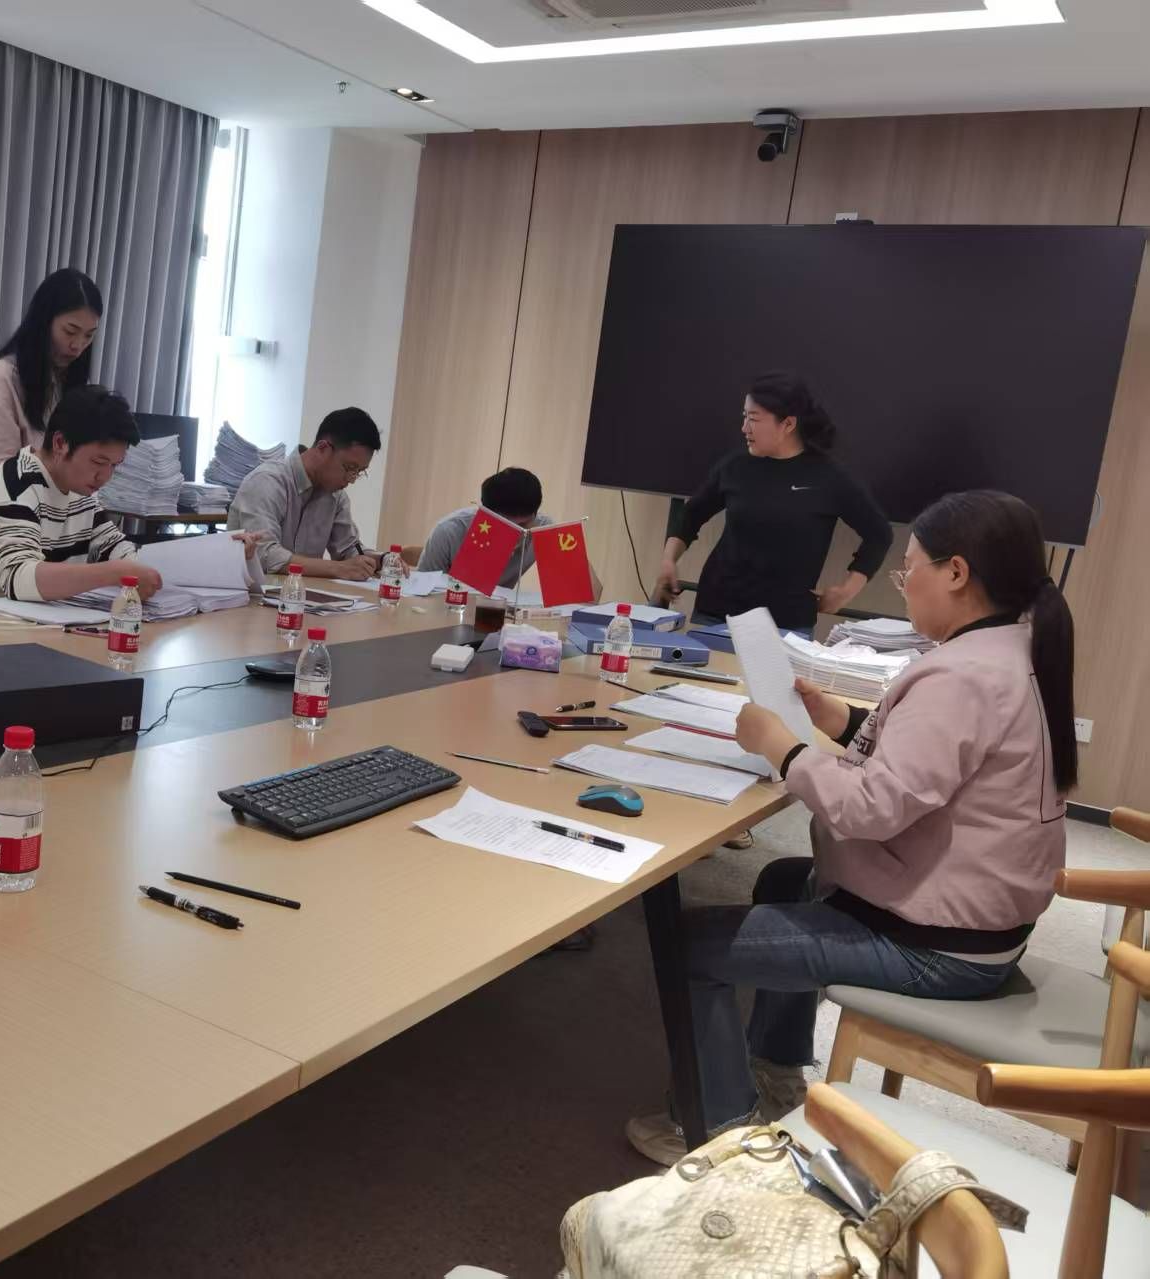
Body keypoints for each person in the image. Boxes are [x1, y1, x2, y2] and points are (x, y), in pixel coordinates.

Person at [627, 489, 1076, 1166]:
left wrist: (782, 747)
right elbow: (940, 761)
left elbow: (871, 808)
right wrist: (841, 721)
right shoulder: (1016, 648)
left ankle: (717, 1125)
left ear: (956, 573)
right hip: (984, 923)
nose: (906, 584)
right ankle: (776, 1067)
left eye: (910, 568)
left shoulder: (962, 674)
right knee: (785, 879)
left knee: (687, 945)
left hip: (939, 945)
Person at [654, 372, 891, 635]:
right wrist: (668, 560)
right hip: (717, 613)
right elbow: (691, 515)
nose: (745, 428)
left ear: (788, 424)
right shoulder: (735, 467)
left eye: (754, 419)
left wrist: (846, 591)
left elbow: (879, 534)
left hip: (786, 623)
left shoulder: (829, 477)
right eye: (744, 416)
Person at [0, 385, 161, 602]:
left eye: (114, 465)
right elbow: (19, 579)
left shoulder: (81, 491)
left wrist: (140, 569)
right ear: (60, 443)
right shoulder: (15, 485)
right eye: (98, 462)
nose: (105, 476)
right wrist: (114, 573)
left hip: (29, 619)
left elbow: (114, 548)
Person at [0, 267, 103, 484]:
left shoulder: (71, 381)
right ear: (44, 322)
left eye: (89, 336)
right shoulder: (1, 379)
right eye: (70, 331)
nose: (78, 346)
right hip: (15, 504)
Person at [228, 407, 382, 581]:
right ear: (323, 448)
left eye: (359, 472)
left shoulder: (336, 496)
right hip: (251, 594)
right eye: (350, 468)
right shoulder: (267, 481)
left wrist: (382, 560)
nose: (351, 479)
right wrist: (338, 568)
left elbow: (348, 550)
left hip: (303, 594)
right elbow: (265, 555)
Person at [418, 467, 578, 591]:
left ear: (534, 514)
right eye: (504, 525)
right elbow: (420, 592)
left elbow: (580, 589)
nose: (515, 533)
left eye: (523, 525)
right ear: (485, 513)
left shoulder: (542, 528)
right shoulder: (450, 531)